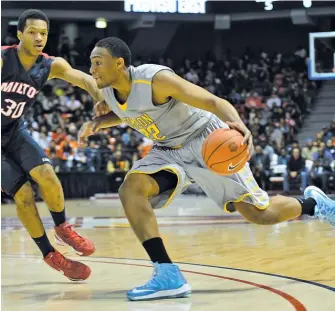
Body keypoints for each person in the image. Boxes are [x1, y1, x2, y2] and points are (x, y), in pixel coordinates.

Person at [79, 37, 335, 301]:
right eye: (91, 64)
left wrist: (237, 123)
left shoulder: (155, 79)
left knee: (260, 215)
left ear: (119, 63)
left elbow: (214, 101)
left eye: (98, 63)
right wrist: (99, 123)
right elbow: (130, 112)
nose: (92, 70)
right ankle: (167, 273)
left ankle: (314, 204)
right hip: (168, 149)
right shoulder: (108, 91)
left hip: (206, 139)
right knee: (130, 190)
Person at [1, 9, 105, 280]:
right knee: (23, 194)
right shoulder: (3, 59)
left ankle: (62, 228)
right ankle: (50, 254)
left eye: (43, 33)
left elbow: (82, 78)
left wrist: (99, 97)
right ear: (19, 34)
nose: (38, 38)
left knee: (47, 175)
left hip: (14, 130)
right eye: (32, 32)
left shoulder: (50, 64)